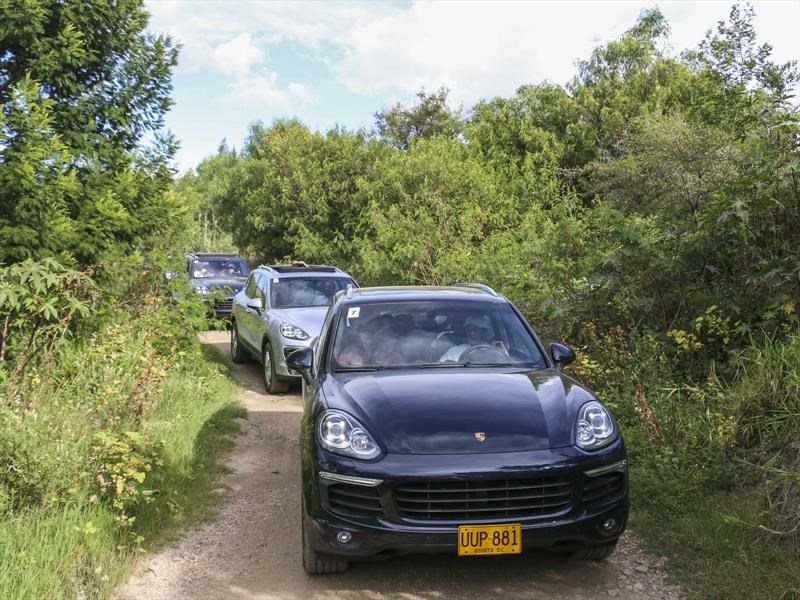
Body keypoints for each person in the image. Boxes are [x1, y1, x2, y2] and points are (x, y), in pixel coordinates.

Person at [439, 314, 507, 362]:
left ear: (484, 332)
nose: (472, 333)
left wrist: (503, 352)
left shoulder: (496, 350)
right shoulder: (455, 351)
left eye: (476, 330)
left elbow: (508, 365)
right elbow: (440, 369)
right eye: (469, 330)